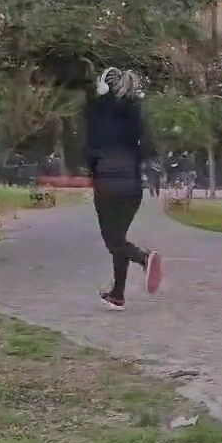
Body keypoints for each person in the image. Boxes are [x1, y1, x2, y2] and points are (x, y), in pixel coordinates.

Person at [85, 67, 162, 311]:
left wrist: (92, 170)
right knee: (119, 238)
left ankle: (144, 258)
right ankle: (118, 295)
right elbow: (147, 148)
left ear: (103, 86)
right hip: (132, 187)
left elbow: (89, 150)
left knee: (113, 241)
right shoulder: (134, 112)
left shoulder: (97, 111)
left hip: (107, 183)